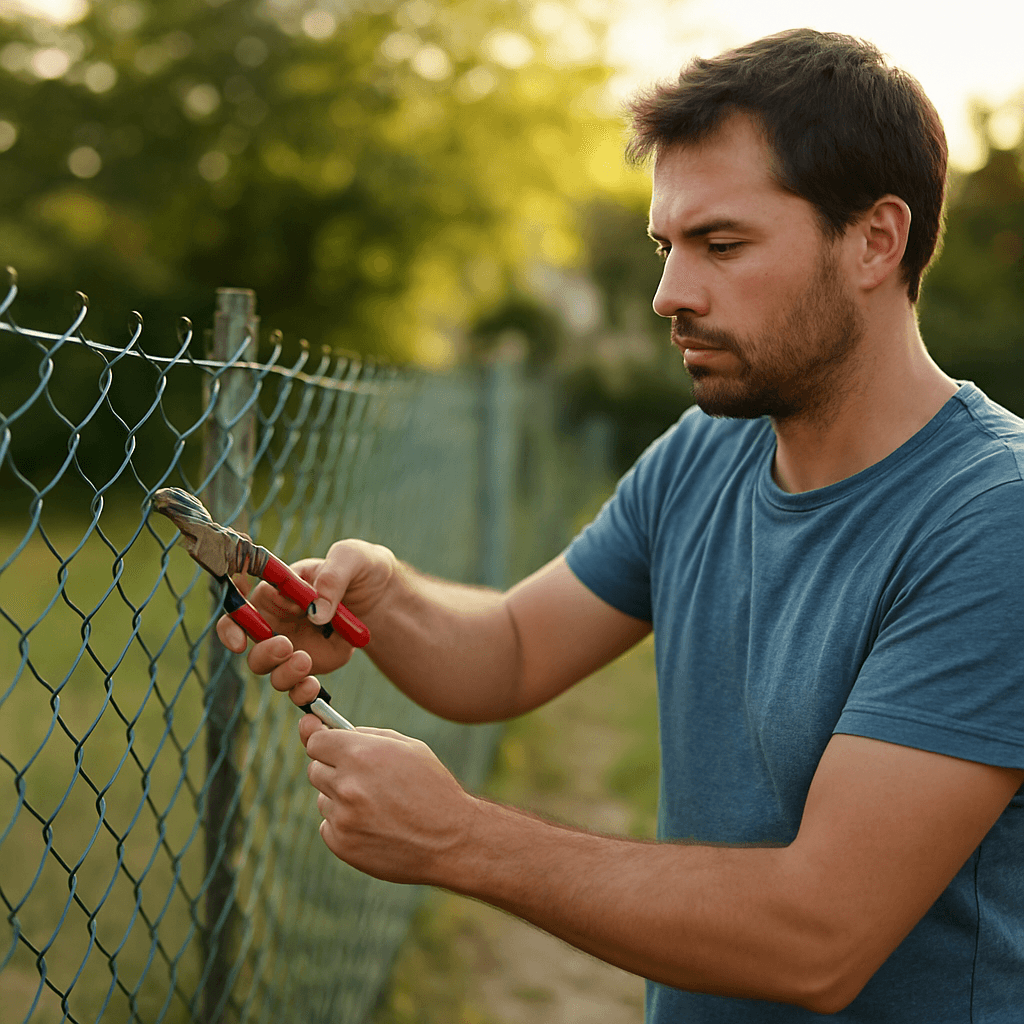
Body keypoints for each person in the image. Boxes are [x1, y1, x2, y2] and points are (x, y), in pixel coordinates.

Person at [217, 28, 1024, 1022]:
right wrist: (385, 596)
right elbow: (511, 650)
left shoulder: (992, 519)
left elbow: (818, 938)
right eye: (666, 245)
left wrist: (457, 837)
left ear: (874, 240)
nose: (668, 294)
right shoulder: (702, 453)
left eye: (720, 245)